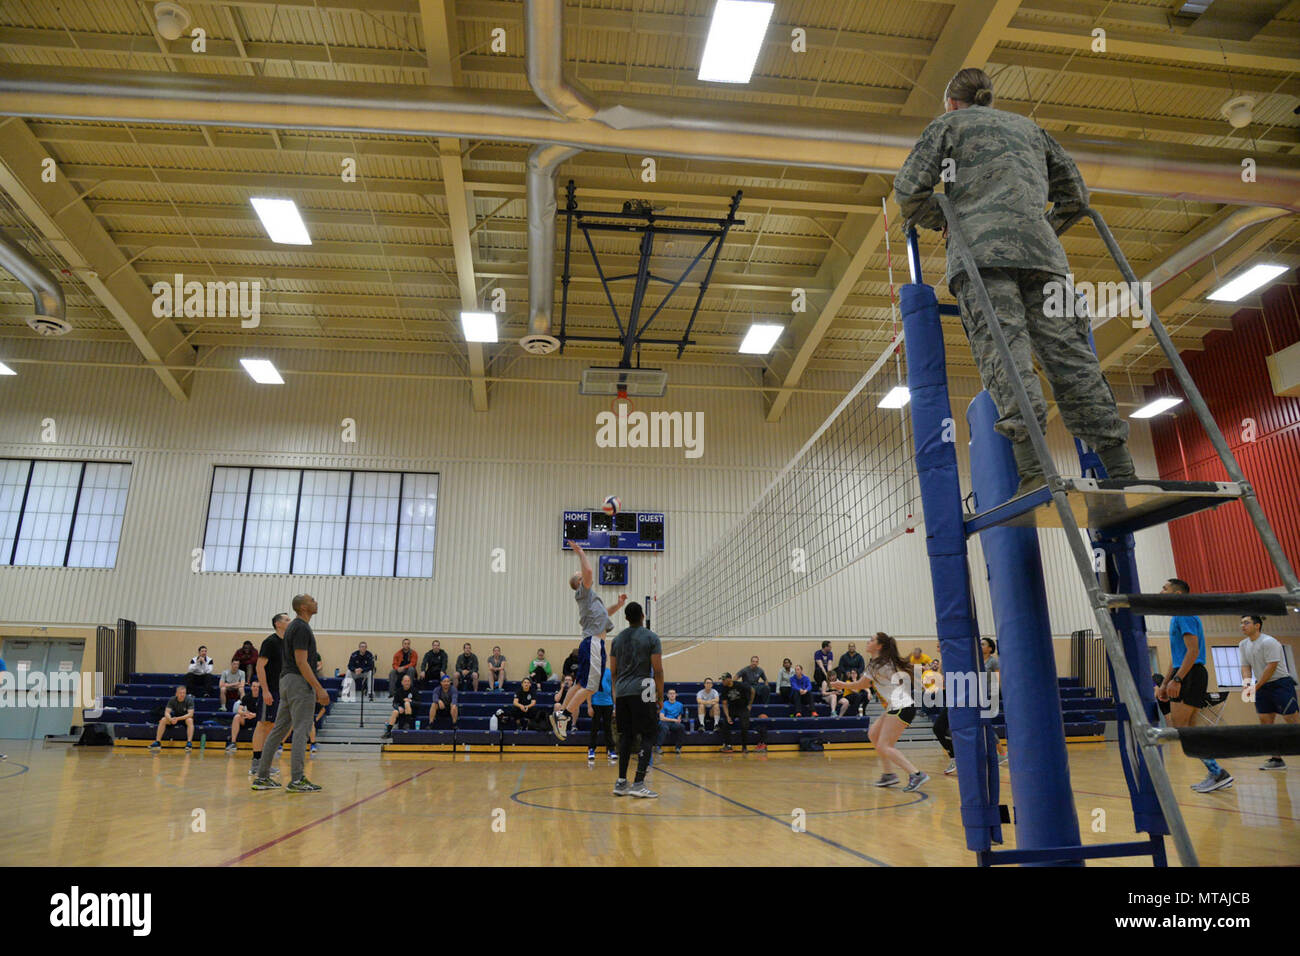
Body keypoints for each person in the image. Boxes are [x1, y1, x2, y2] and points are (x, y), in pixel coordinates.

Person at [894, 66, 1134, 496]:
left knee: (1005, 352)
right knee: (1072, 356)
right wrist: (1039, 227)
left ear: (952, 102)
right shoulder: (1031, 129)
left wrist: (946, 223)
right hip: (1043, 255)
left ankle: (1035, 471)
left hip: (980, 255)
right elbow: (1076, 196)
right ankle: (1121, 467)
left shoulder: (947, 125)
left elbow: (909, 191)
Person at [1157, 579, 1233, 793]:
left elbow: (1192, 650)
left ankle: (1217, 771)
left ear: (1178, 594)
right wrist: (1165, 683)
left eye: (1165, 588)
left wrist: (1178, 679)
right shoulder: (1177, 616)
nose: (1161, 591)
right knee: (1188, 729)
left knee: (1182, 729)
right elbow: (1177, 656)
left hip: (1190, 674)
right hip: (1187, 673)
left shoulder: (1184, 613)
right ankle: (1216, 771)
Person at [252, 594, 329, 793]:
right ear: (303, 607)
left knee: (278, 730)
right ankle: (297, 779)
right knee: (302, 730)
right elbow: (302, 661)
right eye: (313, 600)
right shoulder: (301, 627)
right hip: (298, 682)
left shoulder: (293, 628)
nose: (316, 602)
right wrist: (318, 688)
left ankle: (262, 777)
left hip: (285, 681)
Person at [833, 632, 929, 792]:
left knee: (884, 746)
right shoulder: (880, 662)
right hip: (896, 705)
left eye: (871, 640)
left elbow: (860, 685)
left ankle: (916, 774)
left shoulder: (877, 664)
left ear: (879, 646)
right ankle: (889, 774)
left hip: (901, 706)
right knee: (873, 734)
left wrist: (842, 684)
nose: (868, 642)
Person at [552, 541, 627, 740]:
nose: (583, 574)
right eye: (580, 575)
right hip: (593, 643)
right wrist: (581, 553)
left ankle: (560, 714)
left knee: (580, 684)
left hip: (591, 643)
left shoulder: (592, 599)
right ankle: (565, 717)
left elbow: (605, 614)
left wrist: (618, 606)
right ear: (579, 582)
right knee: (591, 687)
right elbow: (590, 572)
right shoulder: (583, 592)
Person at [609, 601, 663, 797]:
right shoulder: (651, 637)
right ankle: (639, 783)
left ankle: (621, 782)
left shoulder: (616, 640)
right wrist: (660, 695)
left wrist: (616, 695)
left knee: (626, 736)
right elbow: (657, 670)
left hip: (622, 690)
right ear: (642, 616)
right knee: (648, 735)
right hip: (644, 688)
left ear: (625, 618)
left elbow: (613, 672)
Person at [1238, 614, 1298, 771]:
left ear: (1257, 625)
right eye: (1241, 623)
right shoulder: (1243, 644)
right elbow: (1245, 666)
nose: (1242, 626)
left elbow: (1271, 667)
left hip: (1281, 684)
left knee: (1291, 720)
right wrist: (1247, 685)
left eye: (1246, 623)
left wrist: (1255, 687)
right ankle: (1276, 759)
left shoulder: (1269, 642)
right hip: (1262, 686)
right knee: (1265, 722)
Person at [252, 612, 289, 777]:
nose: (290, 621)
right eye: (287, 619)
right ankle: (256, 763)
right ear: (278, 623)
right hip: (270, 690)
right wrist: (265, 691)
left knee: (272, 726)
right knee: (262, 724)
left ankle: (265, 764)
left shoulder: (287, 643)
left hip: (281, 690)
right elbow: (260, 667)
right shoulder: (270, 642)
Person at [719, 673, 766, 753]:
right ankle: (728, 745)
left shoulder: (740, 685)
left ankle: (744, 747)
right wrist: (727, 716)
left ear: (729, 679)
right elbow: (724, 704)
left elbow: (752, 690)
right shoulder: (724, 689)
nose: (722, 681)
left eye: (724, 679)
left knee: (744, 725)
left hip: (743, 708)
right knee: (724, 723)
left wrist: (750, 705)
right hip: (732, 708)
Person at [981, 638, 1007, 763]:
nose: (980, 646)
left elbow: (998, 679)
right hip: (980, 695)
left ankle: (1001, 752)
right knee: (984, 725)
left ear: (990, 648)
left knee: (986, 724)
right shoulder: (977, 660)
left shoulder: (993, 662)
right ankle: (1000, 752)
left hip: (991, 695)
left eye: (983, 644)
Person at [149, 685, 195, 750]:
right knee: (163, 719)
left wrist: (177, 718)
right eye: (180, 693)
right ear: (176, 693)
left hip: (184, 718)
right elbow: (166, 712)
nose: (182, 695)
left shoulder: (189, 700)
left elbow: (190, 714)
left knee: (190, 720)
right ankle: (158, 742)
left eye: (184, 693)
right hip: (174, 718)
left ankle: (189, 743)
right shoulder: (172, 699)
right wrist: (170, 719)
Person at [587, 667, 616, 763]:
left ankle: (611, 750)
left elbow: (613, 689)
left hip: (608, 703)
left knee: (608, 728)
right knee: (594, 727)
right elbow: (589, 690)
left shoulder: (609, 672)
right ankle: (591, 749)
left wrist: (615, 705)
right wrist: (589, 706)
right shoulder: (593, 672)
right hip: (596, 703)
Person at [226, 681, 260, 752]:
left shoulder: (262, 697)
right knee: (237, 717)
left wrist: (255, 715)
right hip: (248, 717)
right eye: (254, 686)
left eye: (257, 687)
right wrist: (245, 714)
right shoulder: (247, 697)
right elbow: (239, 710)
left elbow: (264, 711)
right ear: (251, 687)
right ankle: (233, 743)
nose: (256, 688)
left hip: (258, 719)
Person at [657, 688, 686, 754]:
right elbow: (661, 718)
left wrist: (678, 719)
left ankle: (678, 748)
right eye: (670, 693)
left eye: (673, 693)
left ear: (676, 695)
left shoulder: (680, 705)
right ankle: (658, 747)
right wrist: (673, 719)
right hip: (664, 722)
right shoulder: (663, 704)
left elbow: (679, 714)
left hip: (673, 723)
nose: (672, 695)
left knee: (681, 727)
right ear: (667, 695)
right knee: (665, 728)